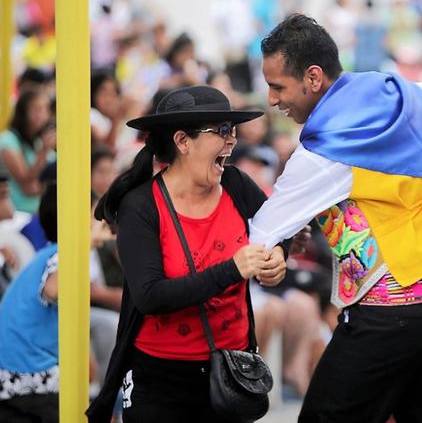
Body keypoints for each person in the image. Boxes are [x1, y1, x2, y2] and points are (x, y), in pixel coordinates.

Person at [249, 14, 422, 422]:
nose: (272, 99)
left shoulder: (320, 152)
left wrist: (278, 246)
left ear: (314, 78)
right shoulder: (410, 95)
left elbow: (258, 237)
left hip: (389, 315)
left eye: (277, 86)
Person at [86, 86, 294, 422]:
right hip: (160, 383)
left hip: (229, 373)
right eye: (222, 131)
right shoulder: (141, 206)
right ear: (183, 142)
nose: (232, 141)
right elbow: (150, 296)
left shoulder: (237, 184)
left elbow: (280, 227)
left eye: (234, 131)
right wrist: (232, 270)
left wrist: (279, 256)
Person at [0, 184, 61, 422]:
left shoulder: (46, 254)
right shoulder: (61, 257)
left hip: (0, 377)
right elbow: (53, 289)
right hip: (26, 376)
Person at [0, 89, 56, 214]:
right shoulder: (7, 140)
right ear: (23, 112)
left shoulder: (38, 140)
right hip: (19, 213)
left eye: (45, 109)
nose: (42, 115)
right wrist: (44, 151)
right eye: (36, 109)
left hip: (41, 211)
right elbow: (26, 180)